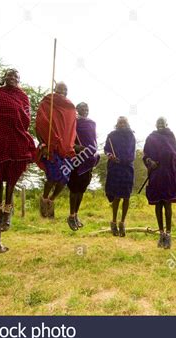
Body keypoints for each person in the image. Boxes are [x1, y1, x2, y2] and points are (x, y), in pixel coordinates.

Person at [0, 69, 36, 232]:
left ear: (19, 80)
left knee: (12, 178)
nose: (12, 78)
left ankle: (7, 212)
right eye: (9, 75)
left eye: (16, 76)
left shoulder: (23, 96)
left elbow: (26, 119)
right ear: (4, 78)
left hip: (16, 137)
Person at [35, 81, 77, 219]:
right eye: (60, 89)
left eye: (65, 89)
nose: (62, 91)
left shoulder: (71, 107)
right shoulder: (48, 102)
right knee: (52, 177)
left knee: (64, 178)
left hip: (66, 148)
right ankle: (44, 199)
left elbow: (71, 129)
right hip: (51, 146)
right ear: (55, 89)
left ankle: (51, 200)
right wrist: (43, 144)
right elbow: (39, 124)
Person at [143, 117, 176, 249]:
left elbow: (174, 154)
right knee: (158, 204)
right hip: (155, 174)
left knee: (168, 204)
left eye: (162, 123)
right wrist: (149, 162)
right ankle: (161, 234)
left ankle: (168, 235)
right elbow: (145, 155)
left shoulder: (171, 136)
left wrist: (168, 160)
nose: (160, 125)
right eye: (158, 123)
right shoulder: (151, 138)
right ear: (155, 124)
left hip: (169, 174)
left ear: (166, 124)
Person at [66, 102, 100, 231]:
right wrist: (75, 147)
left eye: (86, 108)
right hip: (77, 159)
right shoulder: (73, 122)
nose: (84, 110)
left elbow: (93, 141)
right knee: (74, 189)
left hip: (88, 159)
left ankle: (75, 215)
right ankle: (70, 215)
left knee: (81, 189)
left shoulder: (91, 123)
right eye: (81, 108)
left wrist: (94, 153)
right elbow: (67, 138)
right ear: (77, 110)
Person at [104, 116, 136, 237]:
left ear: (127, 124)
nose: (122, 124)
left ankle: (122, 222)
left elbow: (132, 153)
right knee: (116, 196)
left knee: (126, 196)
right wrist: (110, 156)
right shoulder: (112, 135)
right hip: (115, 168)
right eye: (120, 122)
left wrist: (123, 160)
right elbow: (107, 149)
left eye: (124, 122)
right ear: (117, 124)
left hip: (127, 167)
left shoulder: (131, 136)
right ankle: (113, 222)